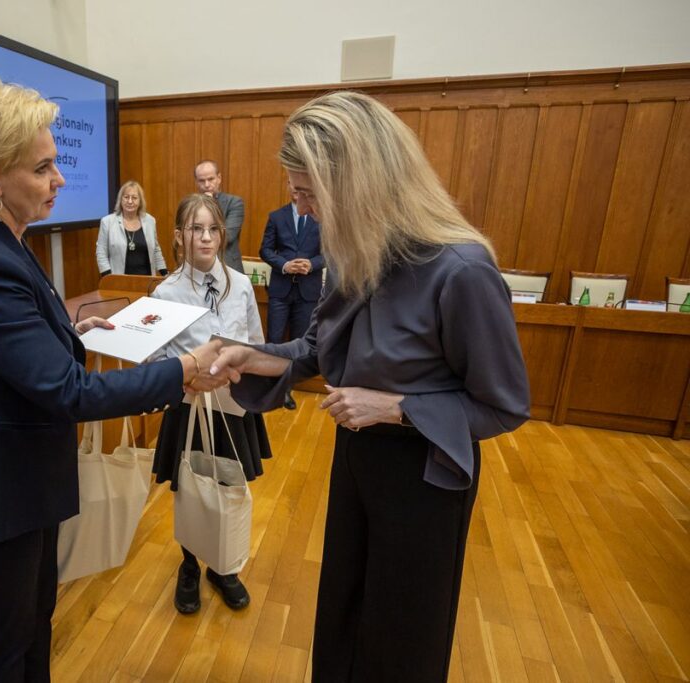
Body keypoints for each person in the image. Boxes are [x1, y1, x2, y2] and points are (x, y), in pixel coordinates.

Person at [209, 91, 530, 681]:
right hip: (358, 460)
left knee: (400, 633)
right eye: (296, 193)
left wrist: (400, 409)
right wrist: (253, 357)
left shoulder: (461, 271)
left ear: (358, 184)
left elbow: (504, 406)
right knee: (343, 612)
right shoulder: (361, 252)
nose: (303, 208)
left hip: (426, 478)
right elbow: (317, 348)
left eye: (309, 195)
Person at [0, 74, 225, 682]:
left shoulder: (4, 242)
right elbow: (67, 392)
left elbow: (25, 357)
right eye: (43, 168)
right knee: (6, 649)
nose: (60, 179)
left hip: (21, 480)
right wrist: (182, 371)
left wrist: (79, 339)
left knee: (35, 628)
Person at [148, 193, 272, 616]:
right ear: (179, 237)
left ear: (223, 234)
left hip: (233, 407)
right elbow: (155, 358)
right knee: (190, 487)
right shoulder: (165, 293)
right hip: (189, 407)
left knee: (228, 483)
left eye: (212, 229)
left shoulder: (240, 285)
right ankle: (188, 563)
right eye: (195, 229)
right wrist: (186, 375)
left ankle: (222, 567)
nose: (205, 238)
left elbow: (255, 343)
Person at [259, 182, 324, 410]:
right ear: (288, 187)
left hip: (308, 291)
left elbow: (329, 253)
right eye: (293, 186)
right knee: (274, 339)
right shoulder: (276, 217)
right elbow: (265, 250)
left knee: (300, 342)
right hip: (280, 290)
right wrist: (285, 265)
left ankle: (287, 389)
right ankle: (272, 388)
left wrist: (312, 264)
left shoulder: (320, 218)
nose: (297, 191)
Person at [95, 180, 168, 277]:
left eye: (134, 198)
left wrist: (165, 273)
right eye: (126, 197)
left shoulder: (150, 221)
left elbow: (156, 250)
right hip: (118, 281)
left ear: (140, 201)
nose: (130, 201)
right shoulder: (107, 222)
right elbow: (101, 253)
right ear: (120, 199)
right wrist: (109, 278)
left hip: (146, 280)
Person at [194, 160, 245, 272]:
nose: (206, 185)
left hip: (228, 266)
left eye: (210, 179)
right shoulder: (191, 206)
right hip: (198, 267)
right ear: (196, 182)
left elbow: (227, 236)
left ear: (219, 178)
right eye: (201, 181)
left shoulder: (234, 202)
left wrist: (210, 203)